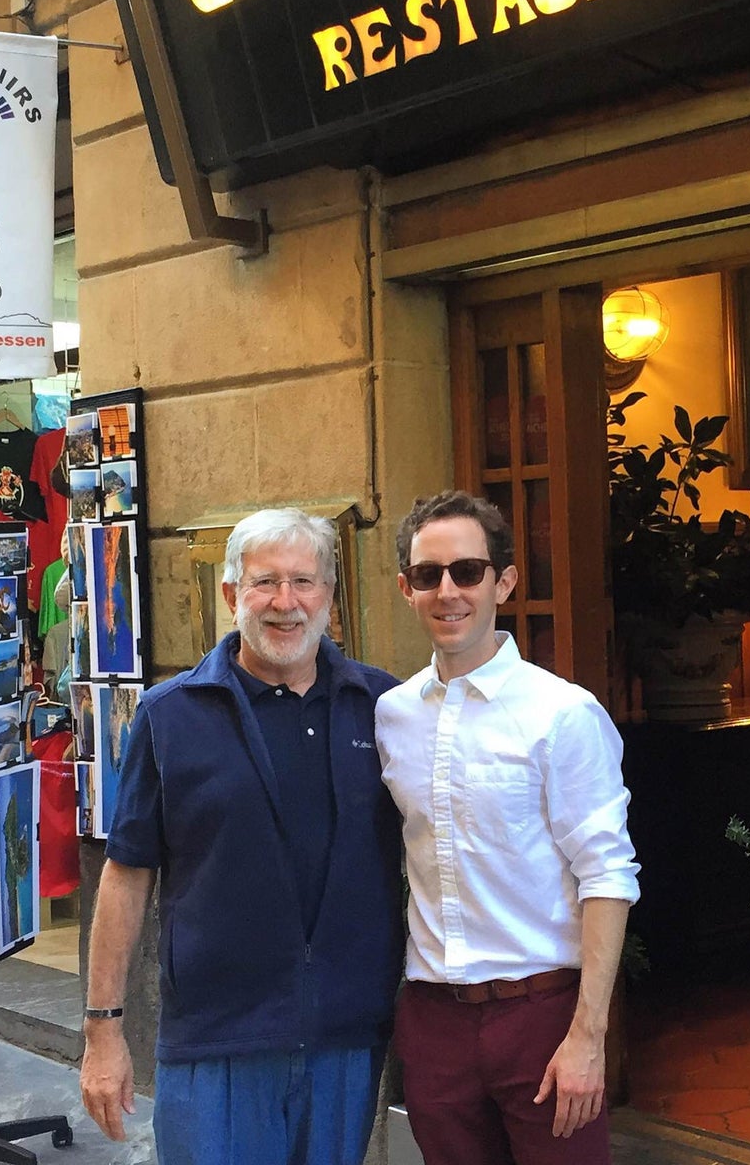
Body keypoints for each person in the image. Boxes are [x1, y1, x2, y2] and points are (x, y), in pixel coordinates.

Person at [79, 508, 404, 1165]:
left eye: (304, 582)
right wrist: (102, 1030)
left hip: (344, 1038)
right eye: (265, 582)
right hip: (215, 1043)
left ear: (330, 597)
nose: (286, 602)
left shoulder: (382, 707)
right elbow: (127, 871)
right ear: (231, 594)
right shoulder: (170, 715)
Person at [377, 491, 640, 1165]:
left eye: (467, 571)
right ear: (407, 589)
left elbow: (607, 875)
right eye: (428, 575)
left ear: (504, 581)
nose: (448, 591)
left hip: (544, 1015)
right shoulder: (392, 716)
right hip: (434, 1018)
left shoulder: (562, 714)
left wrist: (588, 1034)